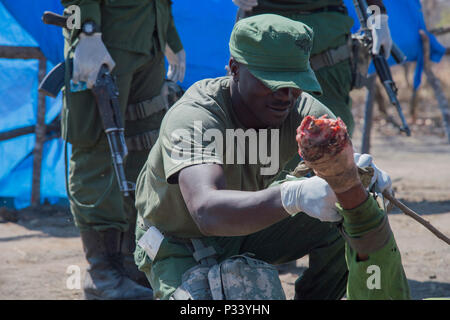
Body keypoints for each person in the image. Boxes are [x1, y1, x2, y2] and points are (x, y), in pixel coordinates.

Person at [134, 14, 410, 300]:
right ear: (235, 68)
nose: (286, 96)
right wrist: (294, 195)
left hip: (246, 229)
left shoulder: (301, 111)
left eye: (295, 83)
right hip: (178, 242)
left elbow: (344, 166)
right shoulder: (195, 117)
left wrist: (358, 176)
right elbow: (207, 211)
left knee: (344, 213)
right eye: (272, 82)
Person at [60, 0, 185, 300]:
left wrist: (168, 32)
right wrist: (85, 30)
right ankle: (103, 274)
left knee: (144, 151)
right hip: (105, 37)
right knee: (98, 151)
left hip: (148, 37)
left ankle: (133, 265)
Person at [232, 0, 393, 137]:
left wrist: (379, 18)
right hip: (264, 33)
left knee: (331, 133)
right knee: (257, 136)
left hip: (327, 40)